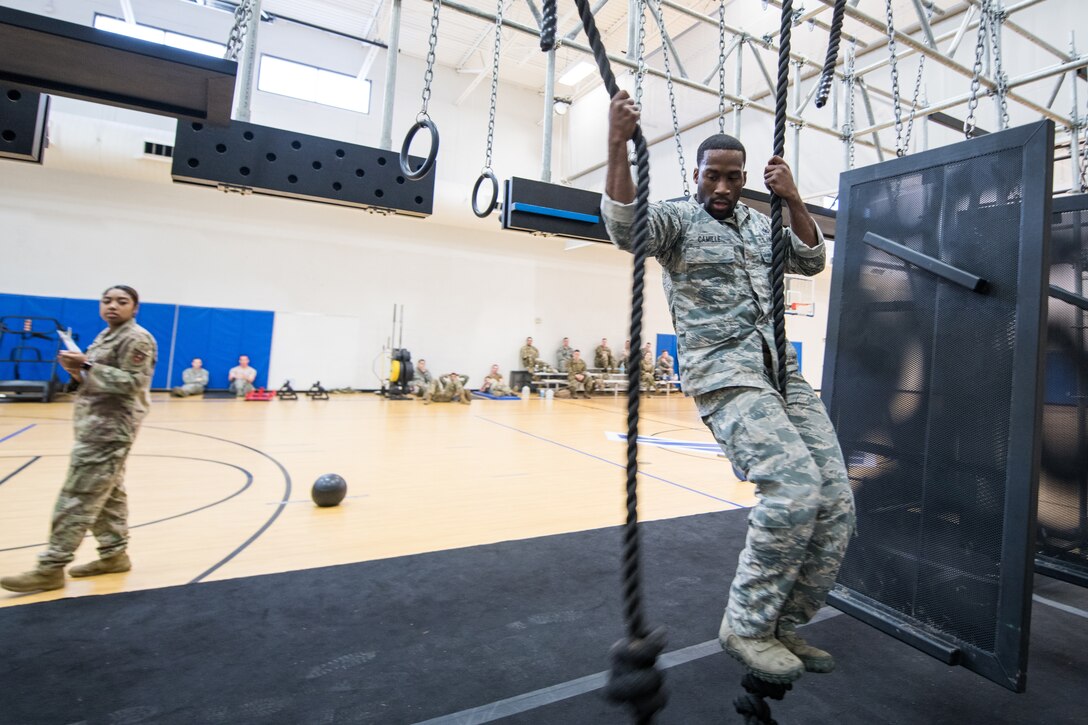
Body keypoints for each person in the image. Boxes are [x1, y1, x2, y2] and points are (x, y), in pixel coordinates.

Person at [601, 91, 855, 684]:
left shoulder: (761, 223)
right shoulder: (674, 221)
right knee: (794, 491)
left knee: (837, 503)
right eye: (712, 175)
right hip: (727, 375)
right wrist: (617, 143)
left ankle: (783, 624)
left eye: (733, 178)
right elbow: (620, 227)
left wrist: (791, 196)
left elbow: (811, 259)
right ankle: (746, 623)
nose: (722, 186)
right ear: (695, 174)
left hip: (780, 376)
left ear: (745, 180)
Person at [1, 286, 157, 593]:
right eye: (107, 300)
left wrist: (86, 365)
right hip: (94, 425)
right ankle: (114, 555)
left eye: (121, 302)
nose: (113, 306)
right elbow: (96, 377)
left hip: (112, 430)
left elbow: (133, 382)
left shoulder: (137, 338)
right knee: (108, 494)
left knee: (78, 495)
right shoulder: (105, 335)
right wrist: (77, 373)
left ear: (135, 308)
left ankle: (51, 567)